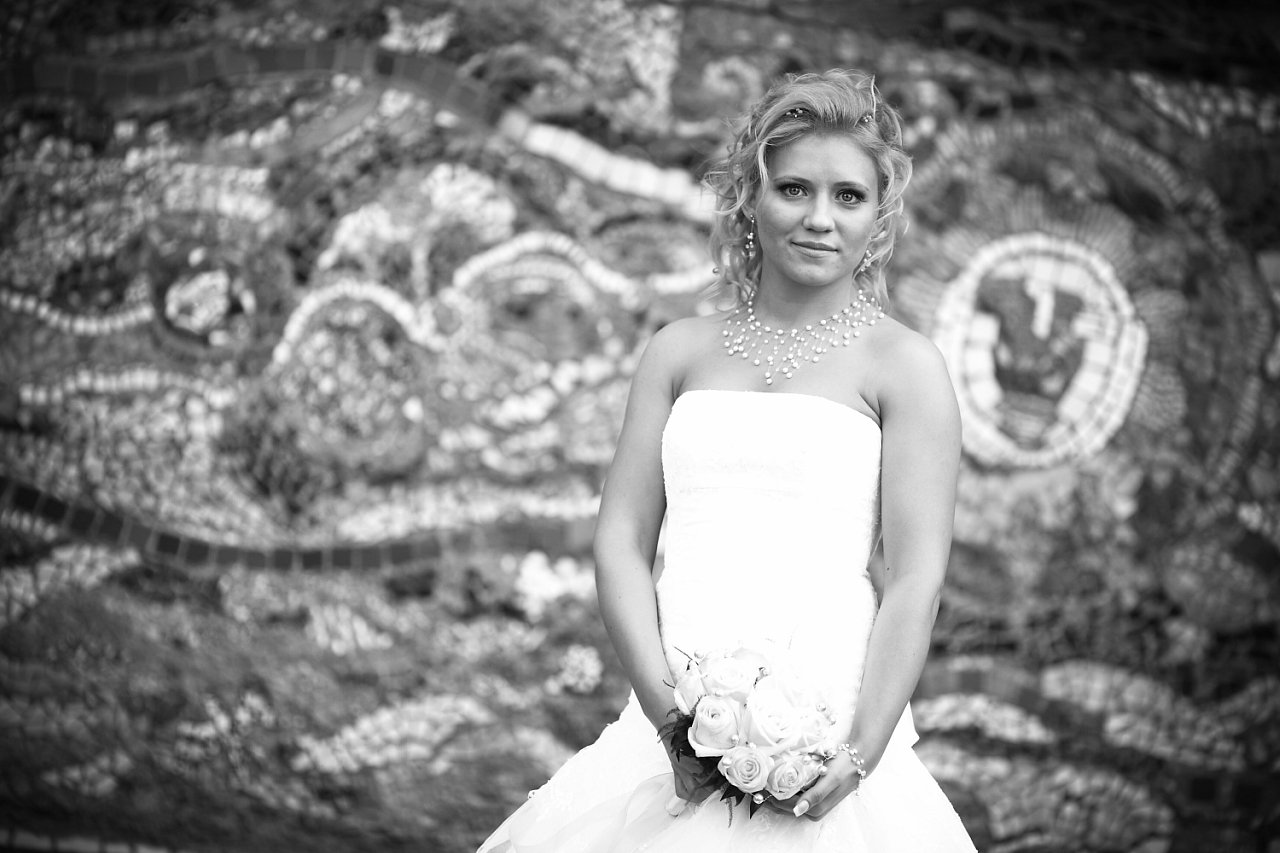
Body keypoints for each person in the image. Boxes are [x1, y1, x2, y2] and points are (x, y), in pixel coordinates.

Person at [476, 69, 976, 852]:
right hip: (671, 718)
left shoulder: (904, 366)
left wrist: (861, 753)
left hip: (826, 734)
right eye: (794, 188)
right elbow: (620, 542)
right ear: (751, 197)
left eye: (848, 196)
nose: (819, 217)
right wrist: (669, 721)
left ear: (877, 215)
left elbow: (917, 575)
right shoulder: (677, 351)